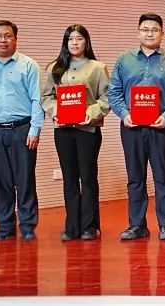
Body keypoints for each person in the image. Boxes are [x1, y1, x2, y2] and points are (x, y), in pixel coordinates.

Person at [107, 13, 165, 241]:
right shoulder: (124, 60)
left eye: (154, 30)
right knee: (135, 177)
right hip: (131, 127)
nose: (150, 33)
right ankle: (137, 225)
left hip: (161, 127)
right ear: (138, 33)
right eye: (145, 29)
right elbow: (113, 91)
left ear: (162, 33)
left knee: (163, 177)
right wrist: (124, 114)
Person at [0, 20, 44, 241]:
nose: (2, 40)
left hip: (22, 129)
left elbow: (37, 99)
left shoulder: (29, 65)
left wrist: (35, 129)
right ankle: (5, 227)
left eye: (7, 35)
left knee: (25, 180)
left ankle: (28, 227)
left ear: (15, 38)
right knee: (0, 181)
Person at [39, 24, 110, 241]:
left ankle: (89, 226)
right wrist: (55, 112)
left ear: (86, 42)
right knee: (69, 178)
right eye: (70, 39)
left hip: (87, 129)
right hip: (63, 130)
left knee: (87, 178)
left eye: (79, 38)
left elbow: (106, 98)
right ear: (65, 42)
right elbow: (46, 97)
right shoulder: (54, 68)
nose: (74, 43)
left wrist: (91, 113)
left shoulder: (98, 67)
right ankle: (72, 226)